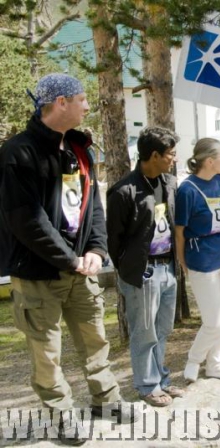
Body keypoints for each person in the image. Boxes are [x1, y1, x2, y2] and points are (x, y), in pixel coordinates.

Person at [0, 73, 133, 445]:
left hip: (82, 270)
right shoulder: (18, 153)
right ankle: (61, 417)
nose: (88, 105)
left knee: (96, 342)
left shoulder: (80, 149)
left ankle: (107, 401)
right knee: (48, 354)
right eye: (82, 98)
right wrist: (69, 259)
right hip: (39, 275)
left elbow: (93, 209)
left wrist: (95, 250)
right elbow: (26, 220)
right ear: (60, 102)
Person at [107, 127, 184, 407]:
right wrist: (131, 269)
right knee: (144, 331)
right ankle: (147, 385)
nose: (173, 159)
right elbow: (113, 242)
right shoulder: (123, 191)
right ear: (154, 155)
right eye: (170, 154)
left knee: (162, 329)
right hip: (143, 273)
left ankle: (161, 379)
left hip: (167, 268)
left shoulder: (170, 183)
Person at [175, 138, 220, 383]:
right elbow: (179, 231)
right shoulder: (187, 190)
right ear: (210, 161)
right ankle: (194, 360)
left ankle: (215, 364)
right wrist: (183, 264)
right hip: (202, 261)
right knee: (215, 322)